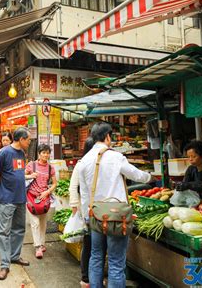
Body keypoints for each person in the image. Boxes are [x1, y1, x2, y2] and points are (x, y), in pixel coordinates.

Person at [77, 122, 151, 288]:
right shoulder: (115, 157)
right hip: (117, 216)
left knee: (96, 257)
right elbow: (136, 175)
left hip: (95, 215)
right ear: (107, 137)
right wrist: (149, 177)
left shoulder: (84, 161)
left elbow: (84, 195)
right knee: (116, 261)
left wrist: (85, 218)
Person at [0, 127, 31, 281]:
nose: (29, 142)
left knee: (19, 229)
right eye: (28, 140)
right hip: (6, 199)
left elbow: (19, 173)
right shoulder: (4, 153)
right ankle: (4, 264)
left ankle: (14, 256)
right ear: (21, 139)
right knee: (3, 232)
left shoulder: (22, 153)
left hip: (20, 198)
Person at [69, 137, 103, 287]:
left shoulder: (100, 163)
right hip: (87, 211)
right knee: (89, 244)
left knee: (97, 246)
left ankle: (94, 277)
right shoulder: (82, 164)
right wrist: (74, 206)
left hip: (100, 210)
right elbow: (73, 186)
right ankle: (85, 278)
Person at [24, 144, 57, 259]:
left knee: (43, 223)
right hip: (31, 197)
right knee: (35, 223)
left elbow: (54, 183)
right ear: (39, 153)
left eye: (47, 153)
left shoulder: (50, 168)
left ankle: (42, 244)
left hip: (44, 197)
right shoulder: (31, 165)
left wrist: (47, 192)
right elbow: (22, 176)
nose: (45, 155)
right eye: (43, 152)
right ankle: (37, 246)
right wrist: (30, 176)